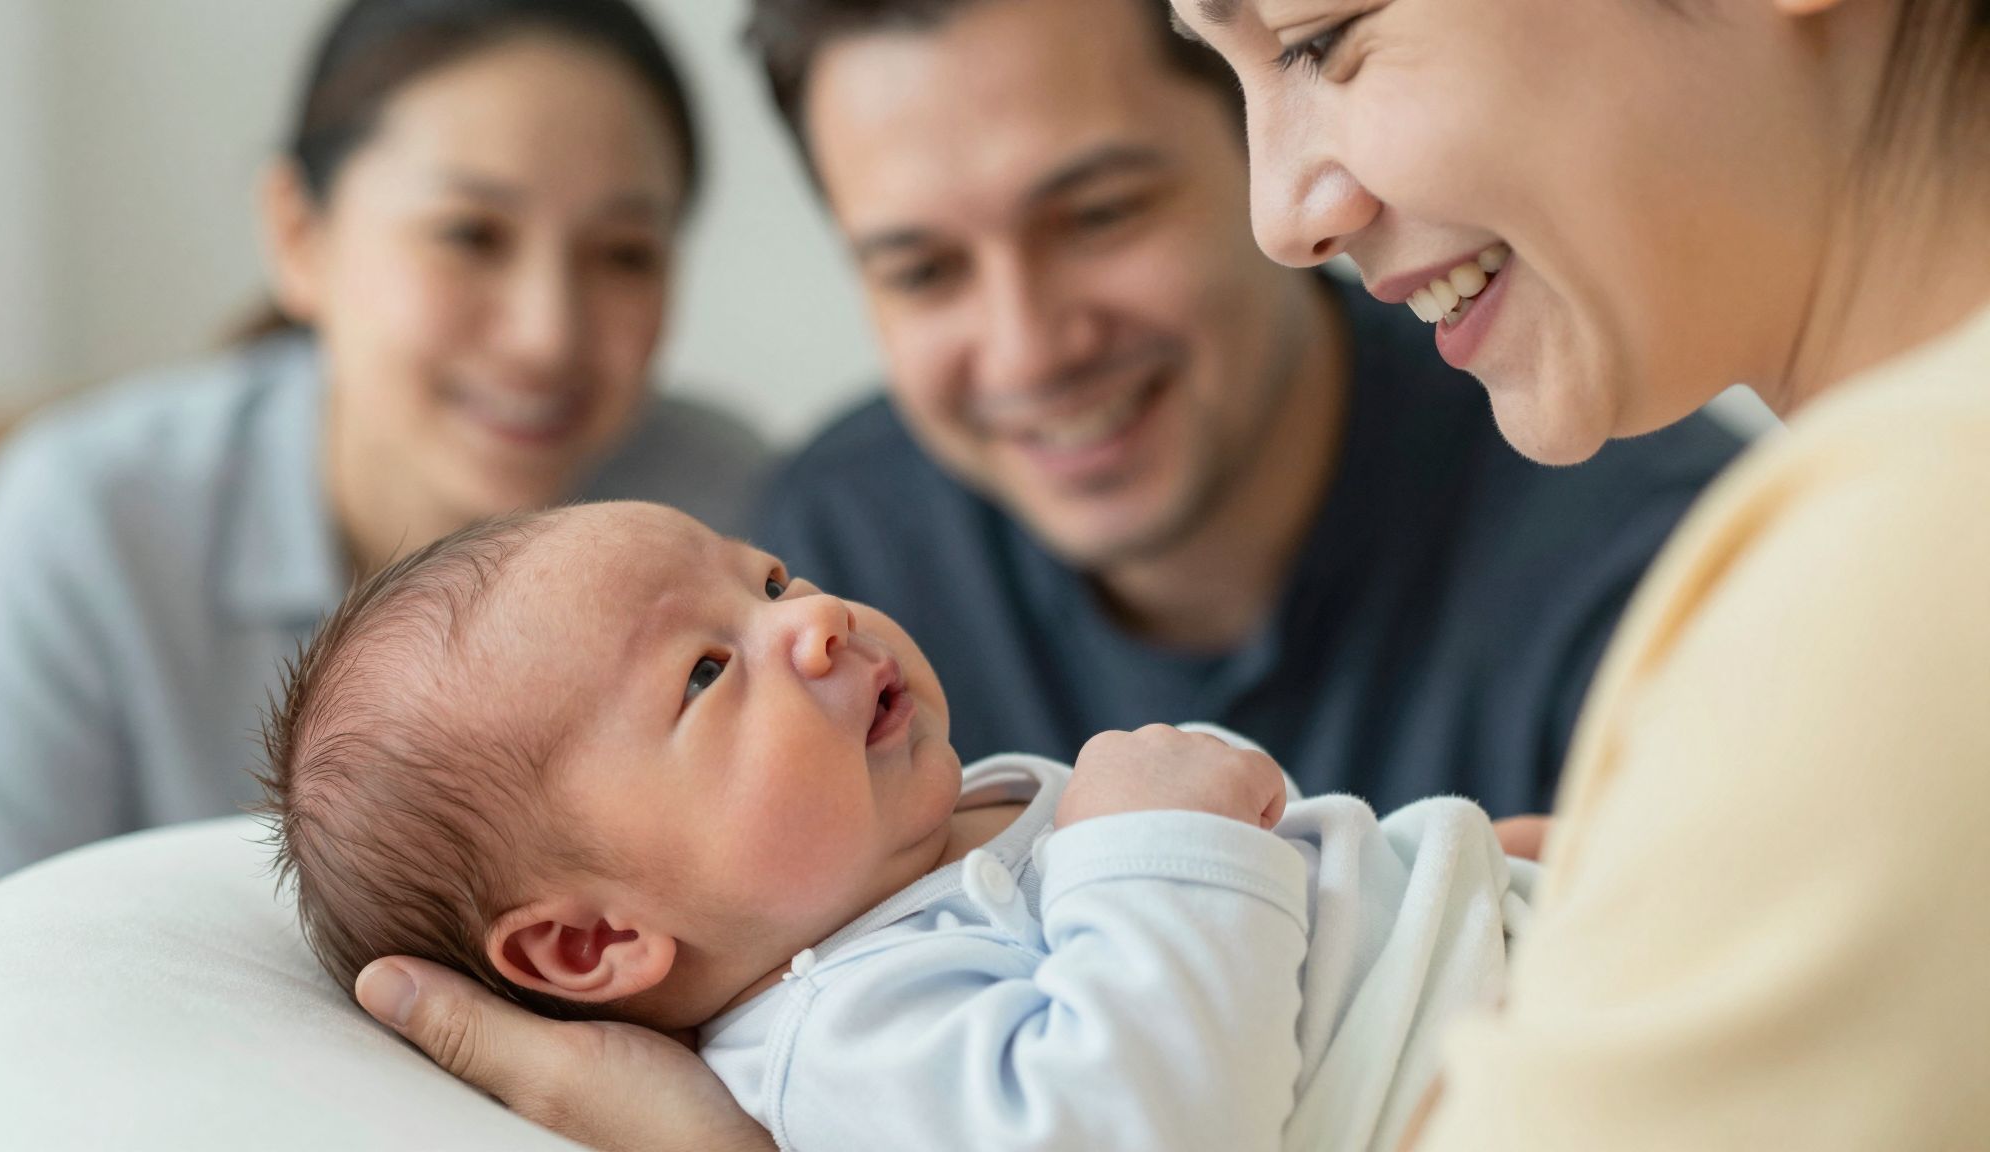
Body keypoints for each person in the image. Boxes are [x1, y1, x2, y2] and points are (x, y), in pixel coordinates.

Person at [340, 0, 1990, 1148]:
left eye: (1327, 38)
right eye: (915, 265)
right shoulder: (858, 524)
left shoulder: (1785, 569)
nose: (1295, 207)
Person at [264, 500, 1535, 1152]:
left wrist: (1463, 873)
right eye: (707, 673)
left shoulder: (937, 834)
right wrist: (1152, 841)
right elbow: (1133, 1128)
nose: (813, 621)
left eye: (766, 579)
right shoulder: (844, 1033)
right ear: (592, 943)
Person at [746, 0, 1742, 818]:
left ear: (1269, 150)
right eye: (922, 272)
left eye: (1099, 215)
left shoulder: (1666, 565)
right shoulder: (830, 573)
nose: (1027, 349)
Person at [0, 0, 769, 896]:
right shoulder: (94, 521)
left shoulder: (737, 516)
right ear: (298, 233)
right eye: (470, 235)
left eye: (624, 254)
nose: (547, 335)